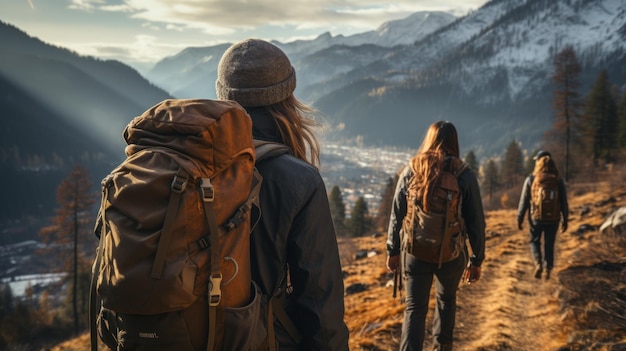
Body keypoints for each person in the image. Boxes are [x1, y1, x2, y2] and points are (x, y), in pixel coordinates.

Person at [215, 38, 350, 350]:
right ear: (286, 97)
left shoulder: (190, 165)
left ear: (223, 95)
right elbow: (319, 302)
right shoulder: (299, 181)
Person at [386, 121, 486, 351]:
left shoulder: (413, 169)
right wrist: (477, 260)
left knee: (414, 309)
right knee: (446, 302)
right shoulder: (464, 174)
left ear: (429, 139)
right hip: (451, 254)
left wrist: (392, 250)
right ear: (455, 142)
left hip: (414, 251)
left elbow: (397, 213)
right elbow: (476, 222)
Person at [517, 150, 569, 280]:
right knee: (549, 243)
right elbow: (564, 201)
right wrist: (565, 220)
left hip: (536, 217)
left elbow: (524, 201)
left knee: (534, 241)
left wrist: (520, 218)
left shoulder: (531, 179)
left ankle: (538, 263)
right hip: (554, 218)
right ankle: (548, 269)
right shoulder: (558, 180)